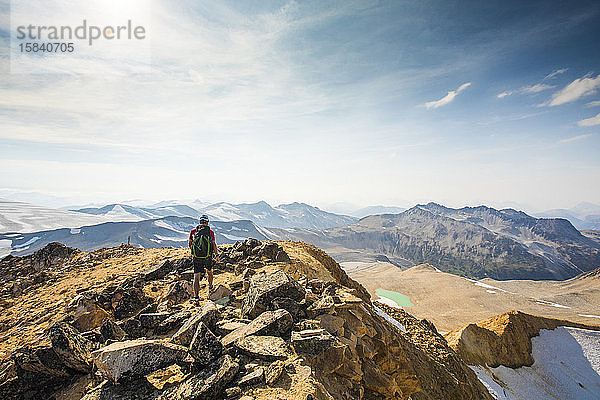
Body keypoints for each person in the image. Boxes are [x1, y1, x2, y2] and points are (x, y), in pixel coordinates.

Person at [188, 214, 218, 302]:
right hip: (207, 256)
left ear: (200, 222)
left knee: (196, 276)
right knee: (209, 271)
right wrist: (217, 255)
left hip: (196, 257)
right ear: (207, 222)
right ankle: (211, 286)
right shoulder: (210, 232)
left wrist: (194, 252)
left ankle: (196, 296)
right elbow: (213, 244)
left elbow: (190, 244)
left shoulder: (193, 231)